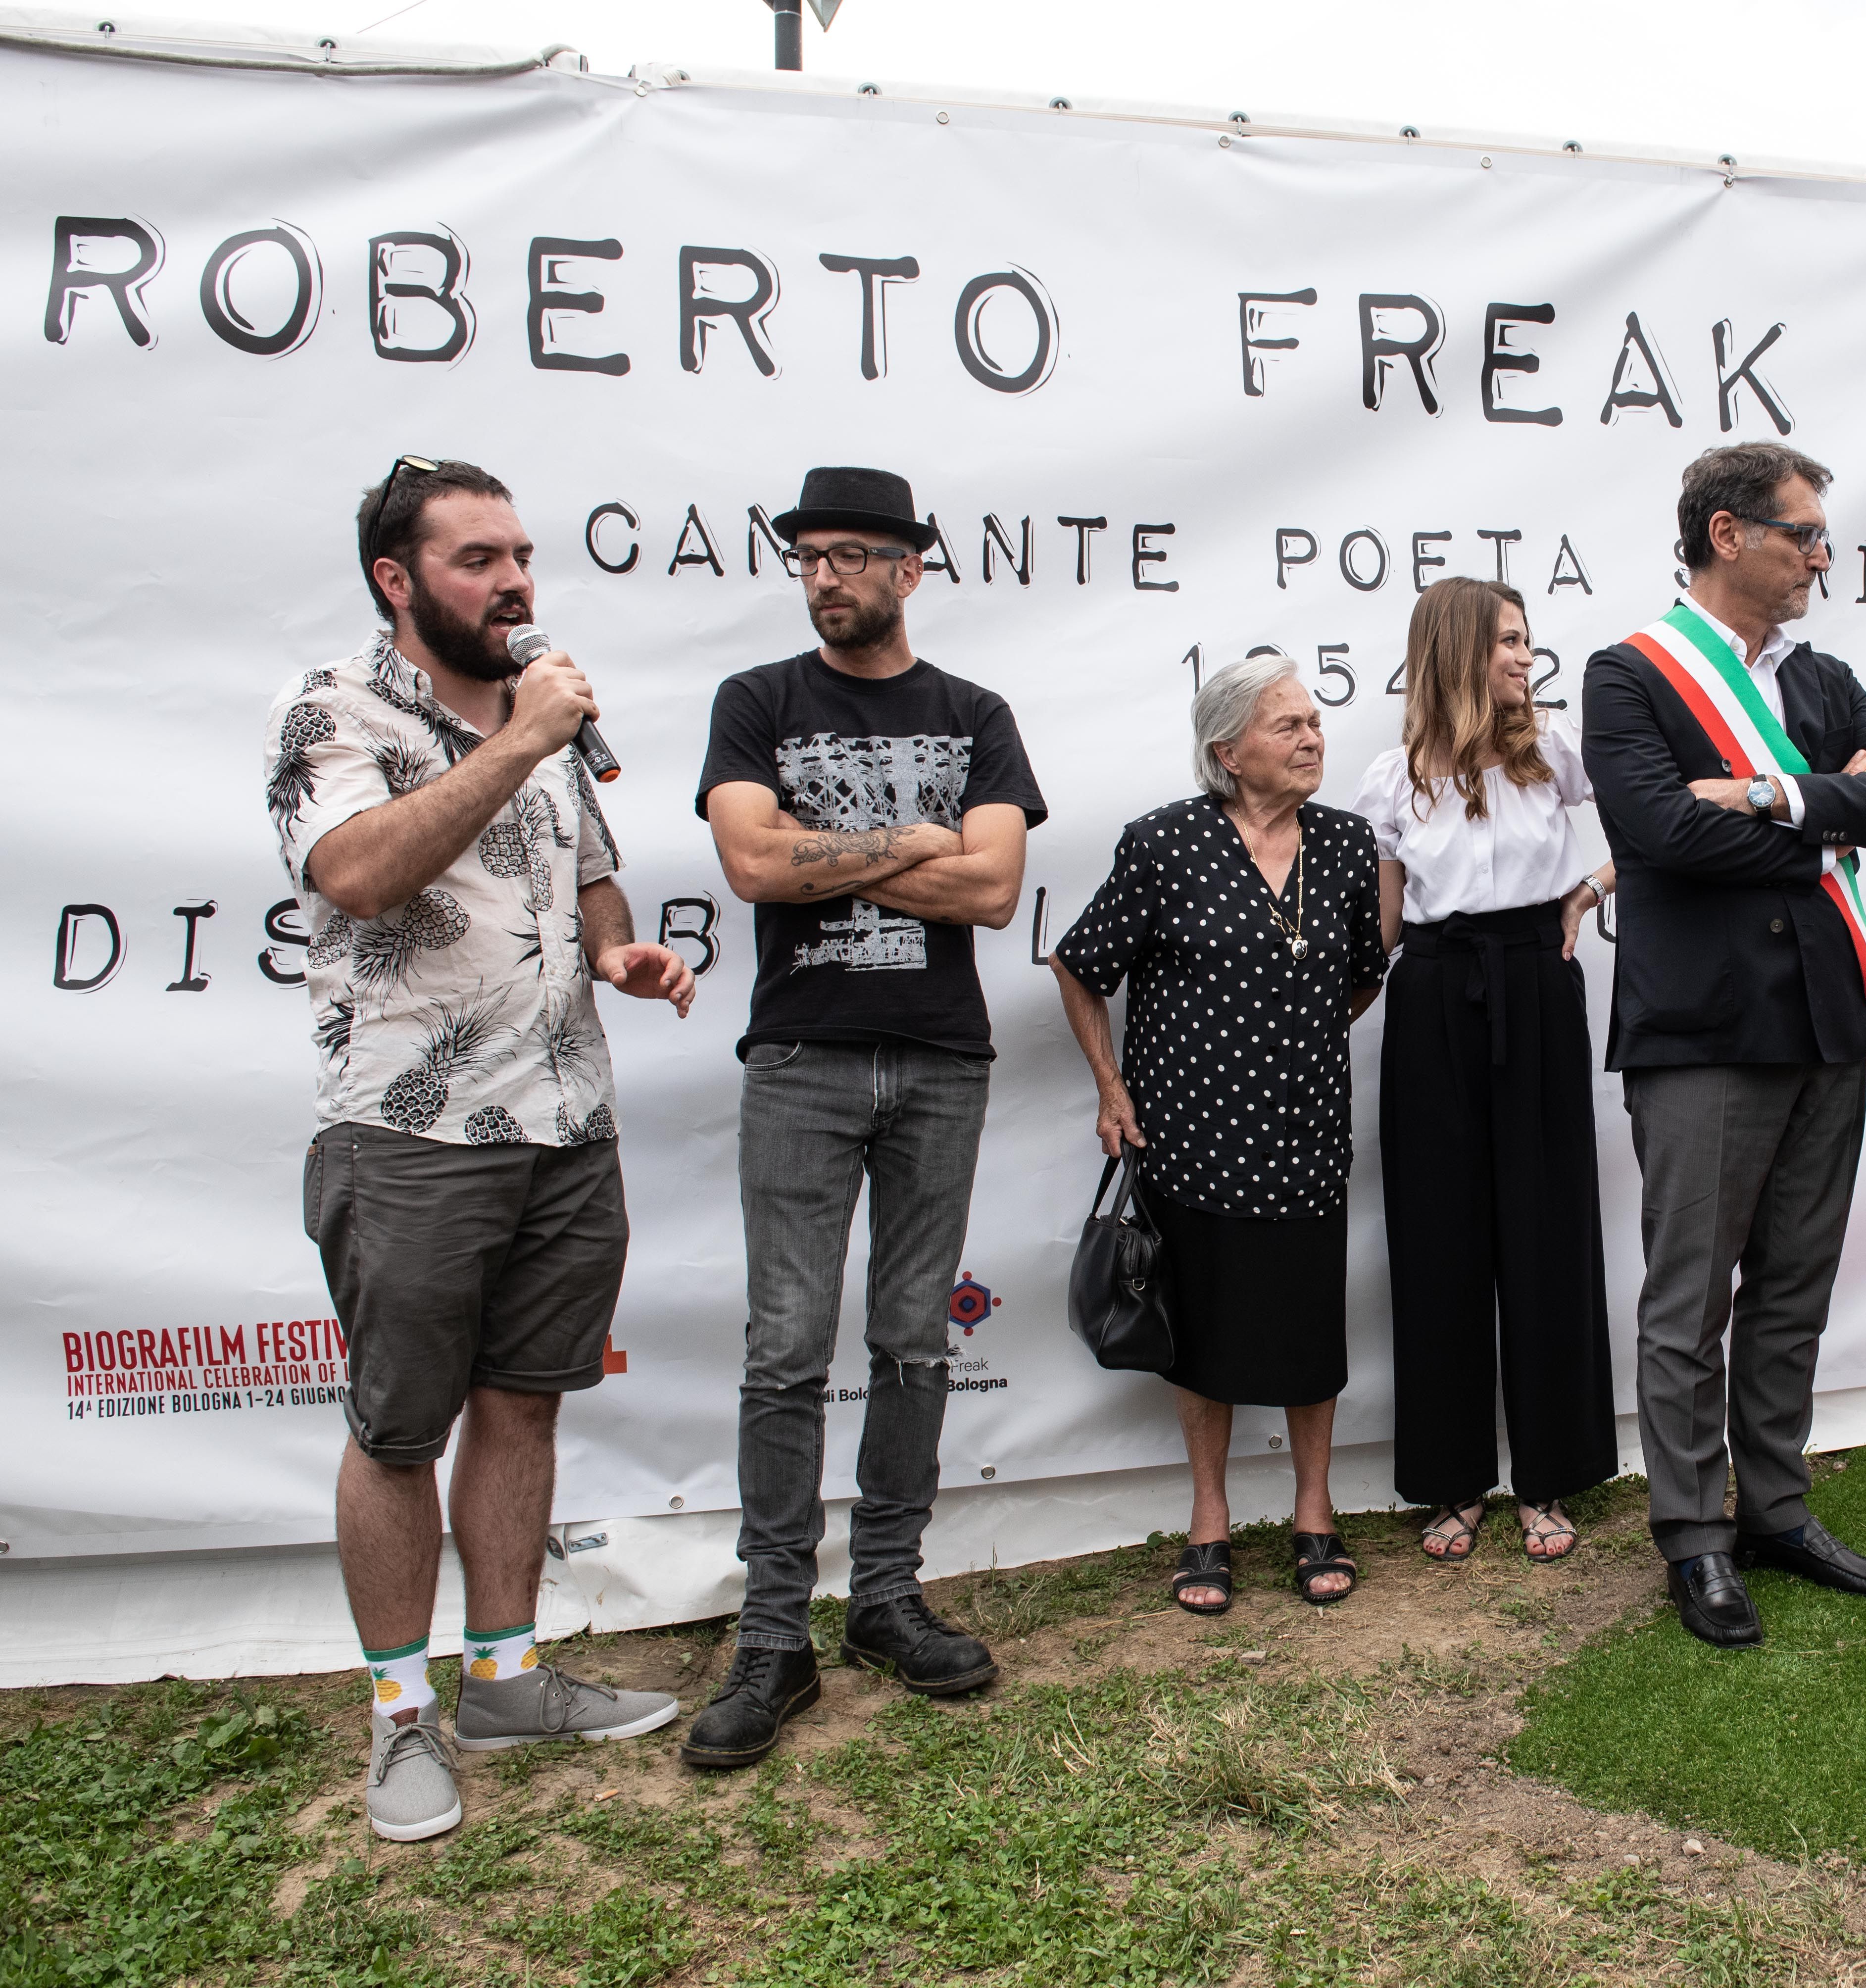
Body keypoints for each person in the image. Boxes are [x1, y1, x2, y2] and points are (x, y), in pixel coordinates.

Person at [266, 454, 694, 1843]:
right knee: (398, 1431)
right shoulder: (338, 709)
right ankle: (401, 1716)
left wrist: (622, 949)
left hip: (568, 1122)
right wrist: (520, 737)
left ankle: (504, 1676)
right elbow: (356, 872)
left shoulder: (541, 711)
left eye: (519, 555)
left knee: (525, 1403)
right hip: (412, 1136)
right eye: (476, 559)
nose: (513, 581)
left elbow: (590, 875)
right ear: (398, 580)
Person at [689, 466, 1045, 1767]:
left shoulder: (976, 714)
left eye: (850, 555)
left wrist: (830, 854)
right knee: (785, 1345)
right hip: (802, 1057)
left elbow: (999, 890)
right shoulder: (759, 703)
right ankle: (773, 1633)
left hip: (942, 1062)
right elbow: (749, 864)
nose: (825, 577)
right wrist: (912, 839)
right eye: (808, 557)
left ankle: (886, 1597)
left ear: (910, 566)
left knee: (912, 1337)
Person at [1582, 442, 1866, 1648]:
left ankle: (1776, 1506)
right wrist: (1828, 809)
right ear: (1727, 535)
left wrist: (1772, 797)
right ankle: (1693, 1536)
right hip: (1702, 1031)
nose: (1818, 557)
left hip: (1826, 1020)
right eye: (1802, 535)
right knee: (1690, 1300)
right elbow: (1658, 832)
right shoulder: (1628, 675)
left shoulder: (1821, 676)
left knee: (1791, 1287)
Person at [1051, 656, 1386, 1615]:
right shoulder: (1163, 844)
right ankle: (1208, 1516)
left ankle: (1313, 1508)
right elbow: (1080, 966)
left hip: (1306, 1132)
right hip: (1189, 1134)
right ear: (1227, 752)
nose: (1312, 738)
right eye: (1287, 726)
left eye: (1315, 722)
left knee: (1306, 1330)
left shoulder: (1346, 843)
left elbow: (1363, 972)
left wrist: (1298, 1032)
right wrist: (1111, 1087)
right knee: (1197, 1334)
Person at [1354, 577, 1618, 1564]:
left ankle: (1547, 1475)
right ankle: (1451, 1479)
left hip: (1536, 987)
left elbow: (1652, 817)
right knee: (1437, 1238)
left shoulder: (1553, 754)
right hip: (1431, 997)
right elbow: (1382, 929)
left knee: (1547, 1228)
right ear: (1459, 651)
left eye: (1527, 641)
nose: (1524, 658)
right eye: (1508, 641)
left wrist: (1587, 891)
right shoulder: (1388, 778)